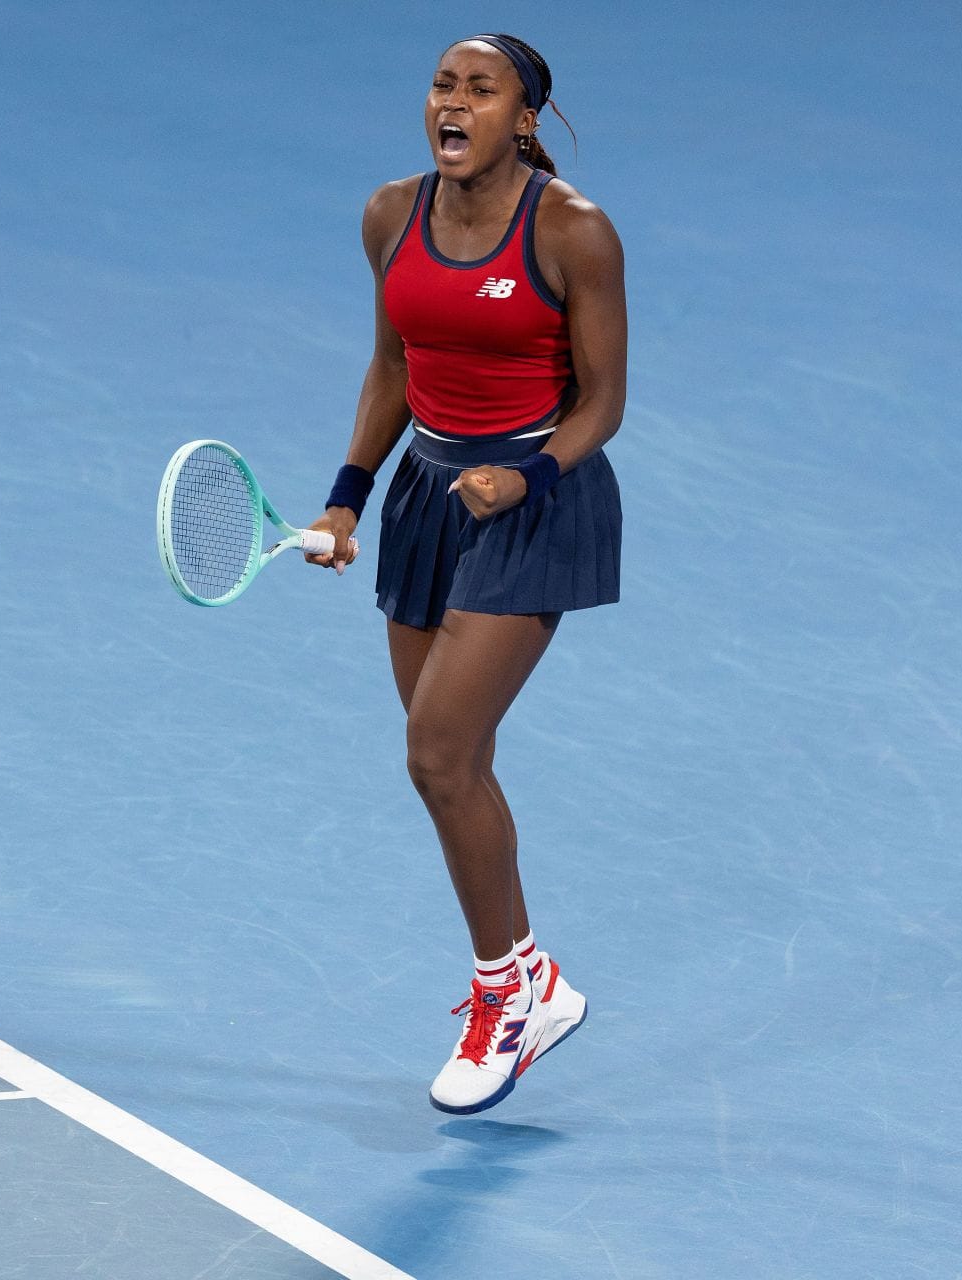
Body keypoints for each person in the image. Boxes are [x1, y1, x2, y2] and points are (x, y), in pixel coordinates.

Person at [307, 33, 626, 1114]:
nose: (454, 103)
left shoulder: (575, 231)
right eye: (443, 85)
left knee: (436, 753)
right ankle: (531, 973)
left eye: (480, 89)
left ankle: (504, 990)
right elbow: (395, 365)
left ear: (523, 117)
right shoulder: (389, 216)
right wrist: (348, 495)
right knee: (459, 762)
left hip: (537, 504)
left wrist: (524, 474)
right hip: (424, 504)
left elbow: (603, 405)